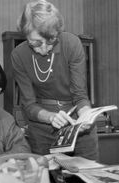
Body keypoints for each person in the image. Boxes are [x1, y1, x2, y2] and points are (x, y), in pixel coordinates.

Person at [11, 0, 98, 160]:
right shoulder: (19, 55)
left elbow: (80, 95)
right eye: (35, 43)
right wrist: (50, 117)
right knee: (47, 179)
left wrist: (85, 116)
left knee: (86, 177)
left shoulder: (71, 44)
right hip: (42, 128)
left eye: (50, 40)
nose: (44, 48)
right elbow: (29, 105)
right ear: (25, 35)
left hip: (76, 123)